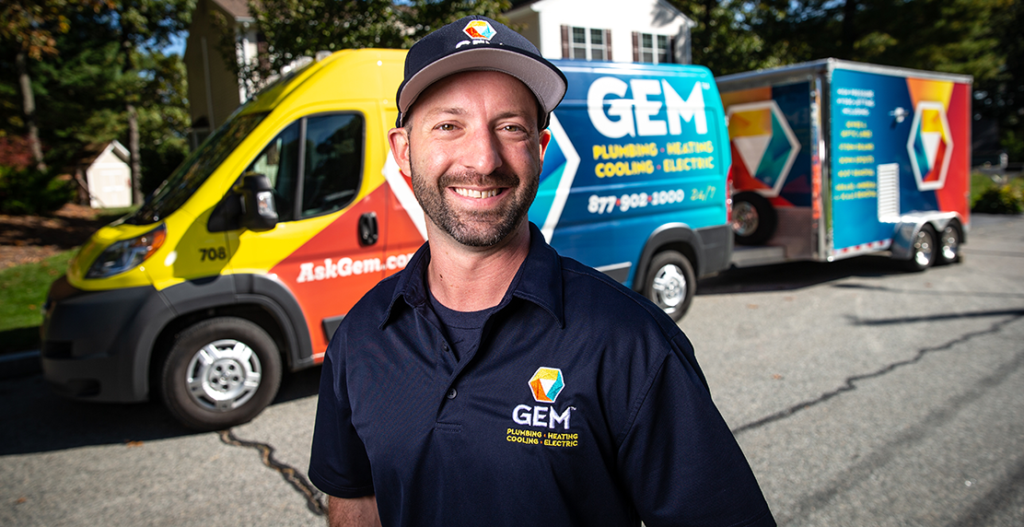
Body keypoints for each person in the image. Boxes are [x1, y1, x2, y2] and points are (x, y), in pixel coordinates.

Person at [308, 15, 775, 527]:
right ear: (403, 151)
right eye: (448, 125)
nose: (483, 160)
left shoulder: (632, 344)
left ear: (540, 149)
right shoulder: (360, 337)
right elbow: (356, 502)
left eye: (510, 127)